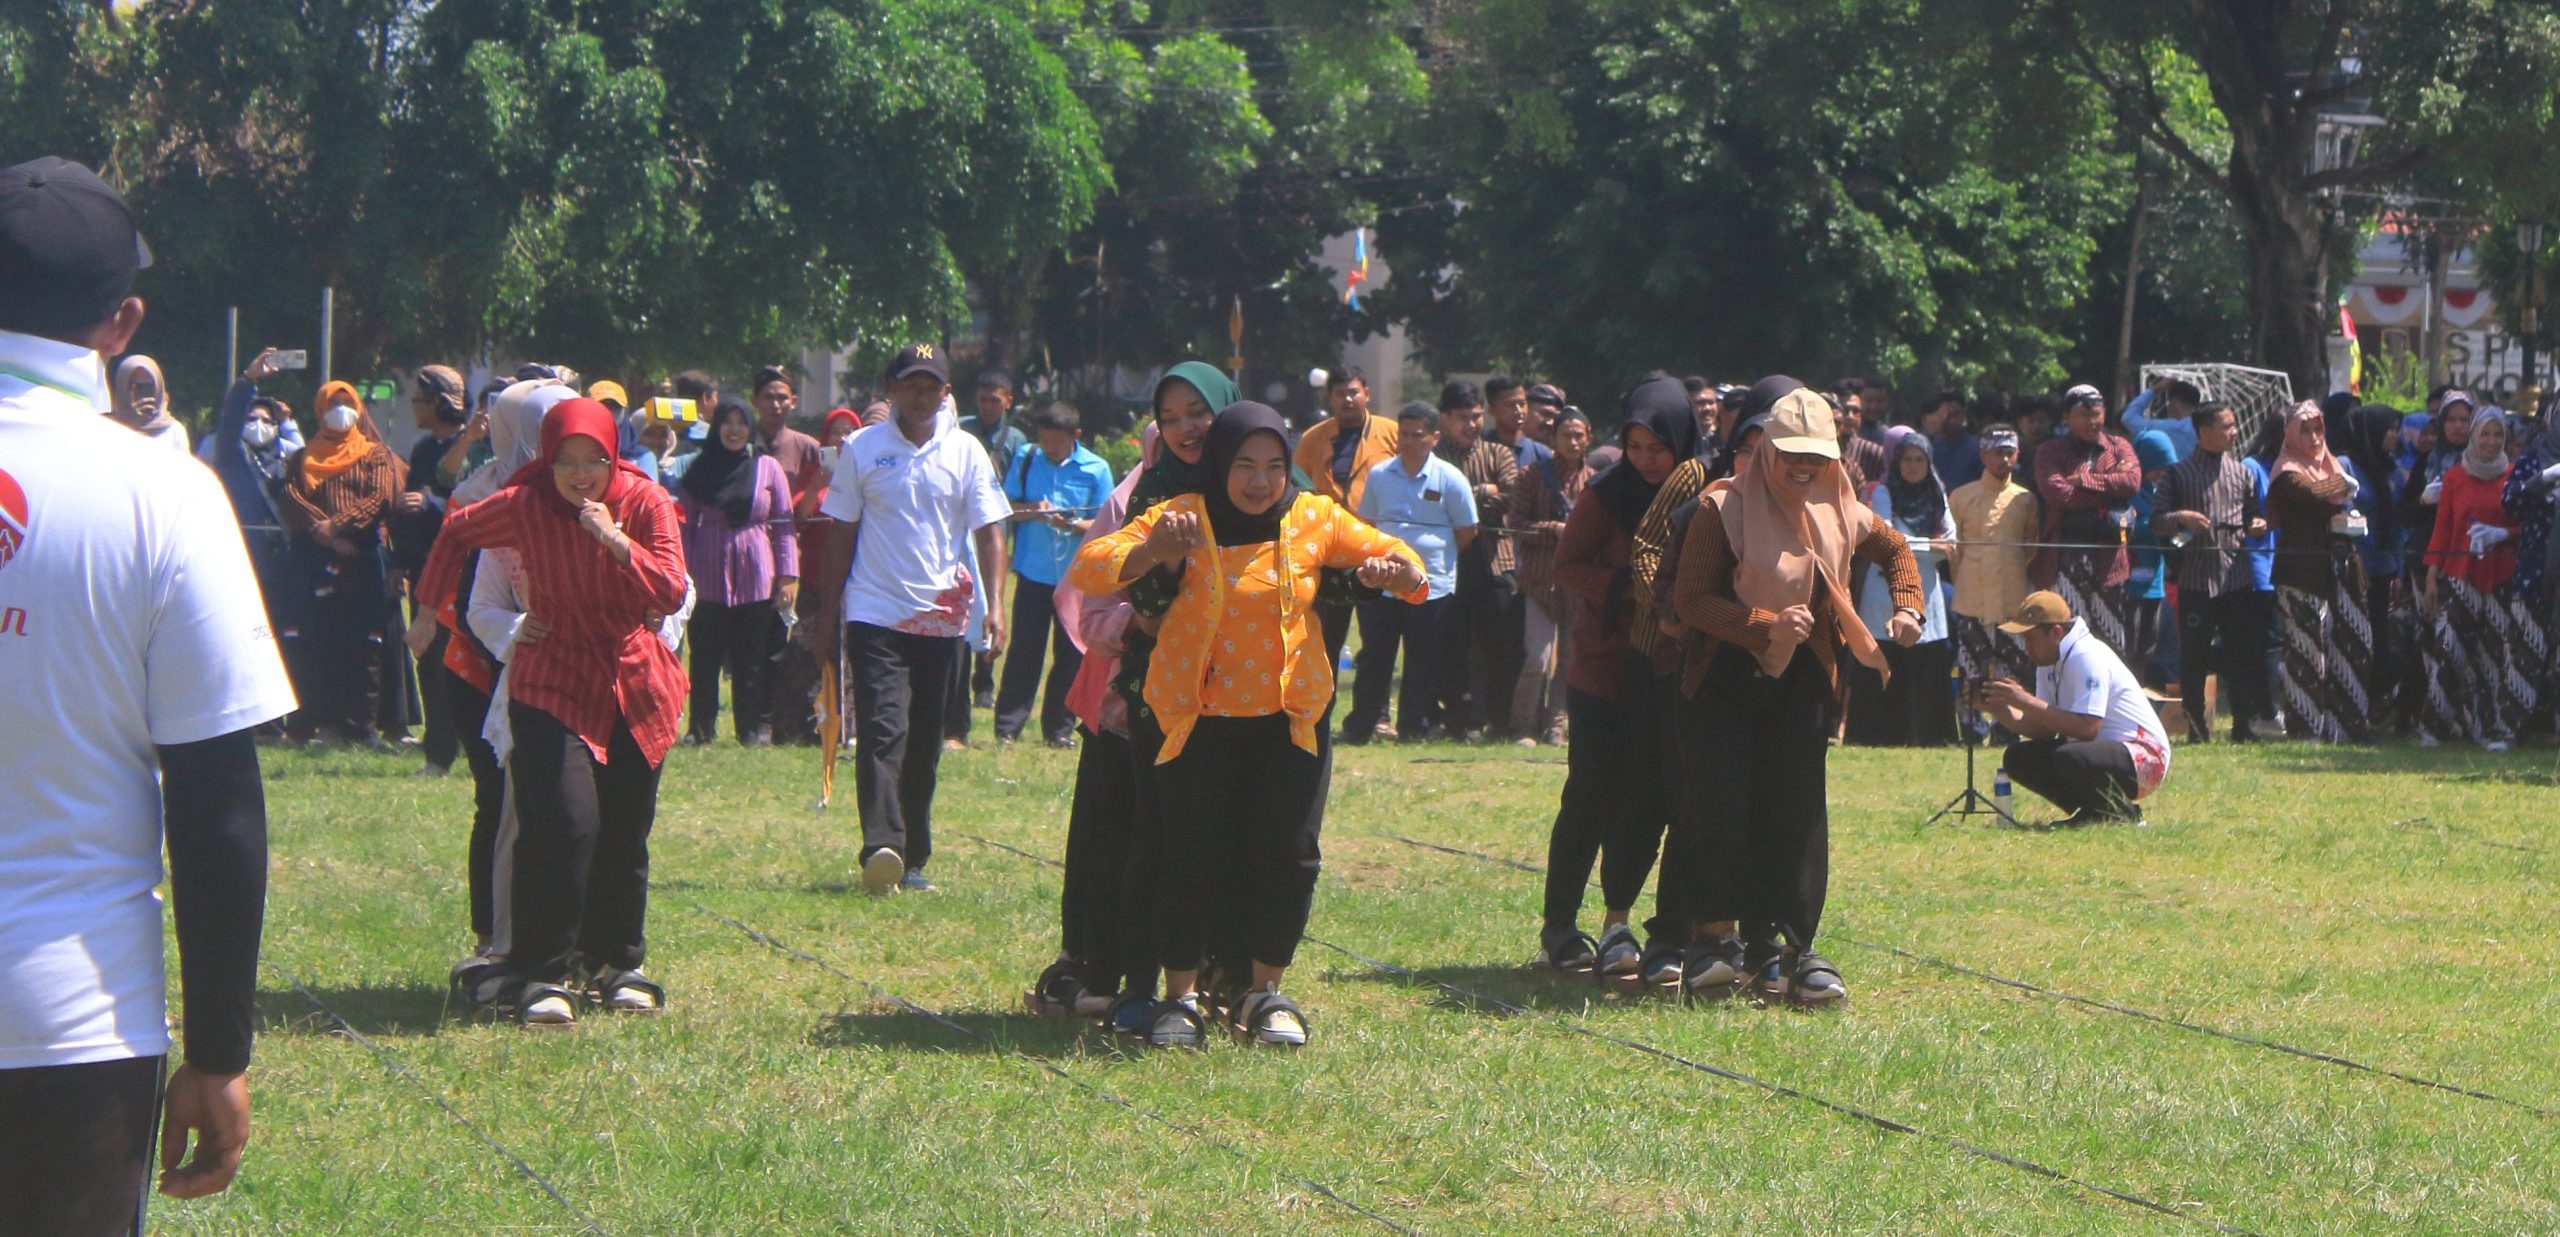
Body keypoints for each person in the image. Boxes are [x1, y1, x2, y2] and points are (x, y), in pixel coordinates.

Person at [0, 154, 296, 1230]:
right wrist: (220, 1053)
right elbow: (216, 798)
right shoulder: (165, 491)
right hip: (71, 1020)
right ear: (123, 320)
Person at [1069, 402, 1427, 1048]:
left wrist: (1401, 572)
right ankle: (1179, 1000)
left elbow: (1391, 551)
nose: (1260, 481)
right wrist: (1153, 549)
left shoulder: (1311, 515)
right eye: (1244, 466)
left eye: (1274, 466)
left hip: (1290, 723)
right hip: (1196, 722)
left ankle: (1265, 993)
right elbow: (1091, 565)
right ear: (1218, 465)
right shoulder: (1186, 515)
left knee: (1290, 854)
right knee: (1189, 853)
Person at [409, 396, 690, 1024]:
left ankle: (616, 963)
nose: (581, 474)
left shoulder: (645, 503)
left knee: (625, 826)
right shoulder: (526, 505)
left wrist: (615, 539)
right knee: (563, 823)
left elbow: (671, 590)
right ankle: (542, 973)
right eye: (565, 461)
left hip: (633, 680)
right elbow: (454, 530)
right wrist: (428, 610)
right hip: (551, 677)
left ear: (614, 456)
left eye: (594, 460)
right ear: (547, 462)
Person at [1670, 384, 1925, 1003]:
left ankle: (1792, 948)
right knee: (1723, 808)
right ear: (1766, 452)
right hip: (1726, 679)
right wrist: (1763, 626)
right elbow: (1691, 600)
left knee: (1798, 813)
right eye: (1792, 455)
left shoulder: (1842, 506)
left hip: (1807, 681)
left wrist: (1907, 607)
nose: (1804, 468)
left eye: (1817, 455)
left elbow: (1894, 549)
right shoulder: (1719, 508)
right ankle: (1714, 941)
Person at [809, 344, 1012, 896]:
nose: (922, 396)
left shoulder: (967, 451)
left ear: (946, 392)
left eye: (932, 386)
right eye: (911, 385)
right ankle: (881, 845)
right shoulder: (862, 448)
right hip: (876, 612)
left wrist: (998, 606)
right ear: (891, 389)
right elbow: (841, 533)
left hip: (942, 619)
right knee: (882, 729)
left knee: (925, 740)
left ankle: (913, 856)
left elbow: (991, 531)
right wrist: (828, 616)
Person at [1533, 377, 1695, 979]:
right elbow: (1568, 565)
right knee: (1590, 797)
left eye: (1658, 447)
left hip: (1664, 672)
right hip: (1603, 670)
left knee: (1651, 798)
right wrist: (1624, 586)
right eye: (1636, 447)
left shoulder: (1699, 489)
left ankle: (1629, 927)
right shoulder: (1604, 494)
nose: (1647, 460)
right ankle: (1559, 926)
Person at [276, 379, 405, 747]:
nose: (340, 410)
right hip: (313, 560)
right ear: (319, 410)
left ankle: (361, 726)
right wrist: (325, 532)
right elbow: (290, 497)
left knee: (363, 644)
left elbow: (381, 495)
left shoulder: (374, 454)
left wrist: (339, 525)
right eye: (333, 403)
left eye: (348, 403)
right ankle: (315, 724)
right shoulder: (303, 457)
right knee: (316, 643)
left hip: (360, 559)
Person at [1972, 591, 2172, 827]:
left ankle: (2121, 813)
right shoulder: (2048, 661)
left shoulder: (2087, 656)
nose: (2027, 648)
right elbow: (2044, 731)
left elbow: (2087, 729)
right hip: (2099, 754)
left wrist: (2024, 700)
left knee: (2069, 756)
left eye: (2031, 639)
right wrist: (2000, 708)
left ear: (2056, 633)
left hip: (2145, 758)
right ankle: (2094, 811)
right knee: (2018, 757)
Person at [1345, 401, 1477, 743]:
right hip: (1382, 585)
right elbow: (1368, 524)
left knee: (1422, 660)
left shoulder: (1450, 479)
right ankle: (1361, 727)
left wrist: (1432, 559)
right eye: (1403, 434)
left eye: (1416, 435)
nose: (1408, 441)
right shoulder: (1379, 475)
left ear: (1434, 437)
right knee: (1375, 657)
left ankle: (1412, 728)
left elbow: (1466, 531)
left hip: (1430, 587)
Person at [677, 398, 799, 746]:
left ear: (750, 428)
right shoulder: (698, 471)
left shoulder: (767, 468)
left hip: (756, 575)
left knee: (752, 658)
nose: (733, 430)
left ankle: (749, 730)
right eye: (726, 422)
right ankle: (701, 730)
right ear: (716, 427)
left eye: (740, 422)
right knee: (704, 658)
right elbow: (685, 526)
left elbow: (784, 524)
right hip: (707, 575)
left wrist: (788, 574)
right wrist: (681, 575)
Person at [995, 402, 1115, 746]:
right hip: (1033, 573)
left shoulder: (1096, 469)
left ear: (1075, 437)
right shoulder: (1026, 458)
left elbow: (1107, 524)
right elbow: (1007, 508)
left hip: (1076, 581)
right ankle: (1007, 726)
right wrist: (1035, 511)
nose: (1049, 448)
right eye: (1045, 441)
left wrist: (1074, 524)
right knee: (1024, 653)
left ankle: (1059, 729)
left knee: (1070, 656)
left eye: (1057, 443)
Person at [2153, 401, 2269, 742]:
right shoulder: (2177, 474)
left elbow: (2253, 516)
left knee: (2242, 653)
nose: (2234, 432)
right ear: (2204, 432)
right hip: (2196, 579)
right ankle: (2196, 727)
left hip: (2237, 578)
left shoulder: (2242, 473)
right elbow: (2157, 521)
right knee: (2194, 657)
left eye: (2234, 426)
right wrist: (2182, 518)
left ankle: (2243, 726)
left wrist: (2257, 524)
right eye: (2226, 426)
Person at [2266, 401, 2373, 743]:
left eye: (2318, 429)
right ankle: (2305, 729)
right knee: (2307, 652)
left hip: (2339, 569)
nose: (2313, 438)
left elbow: (2347, 496)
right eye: (2305, 430)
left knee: (2346, 649)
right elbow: (2309, 494)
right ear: (2291, 435)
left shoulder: (2331, 466)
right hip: (2302, 572)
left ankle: (2343, 728)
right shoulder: (2286, 470)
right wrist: (2339, 487)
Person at [2420, 406, 2526, 749]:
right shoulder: (2454, 477)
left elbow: (2525, 527)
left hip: (2499, 576)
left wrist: (2502, 534)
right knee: (2450, 651)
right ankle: (2434, 727)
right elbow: (2442, 529)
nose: (2491, 442)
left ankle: (2491, 730)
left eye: (2498, 435)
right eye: (2485, 434)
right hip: (2459, 576)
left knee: (2495, 655)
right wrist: (2433, 575)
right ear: (2474, 436)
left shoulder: (2513, 476)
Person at [1848, 427, 1957, 746]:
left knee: (1926, 662)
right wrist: (1931, 547)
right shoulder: (1883, 492)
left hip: (1929, 590)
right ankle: (1878, 734)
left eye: (1919, 459)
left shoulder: (1937, 493)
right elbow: (1889, 541)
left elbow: (1952, 540)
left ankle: (1928, 735)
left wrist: (1927, 547)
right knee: (1887, 656)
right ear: (1896, 461)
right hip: (1887, 590)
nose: (1912, 466)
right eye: (1907, 459)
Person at [390, 365, 475, 775]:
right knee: (428, 657)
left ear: (439, 404)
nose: (414, 409)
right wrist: (397, 562)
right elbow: (409, 506)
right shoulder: (423, 451)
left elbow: (471, 507)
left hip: (463, 571)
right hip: (424, 568)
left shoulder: (473, 446)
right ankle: (437, 751)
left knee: (457, 660)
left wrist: (430, 505)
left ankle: (460, 744)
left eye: (420, 401)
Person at [1291, 366, 1403, 662]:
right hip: (1329, 551)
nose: (1348, 399)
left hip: (1376, 549)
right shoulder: (1313, 439)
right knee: (1325, 640)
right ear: (1330, 398)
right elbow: (1295, 486)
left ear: (1366, 393)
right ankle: (1319, 708)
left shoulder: (1392, 433)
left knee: (1377, 640)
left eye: (1354, 392)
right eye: (1340, 394)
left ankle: (1372, 710)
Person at [1433, 380, 1522, 738]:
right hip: (1450, 562)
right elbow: (1432, 501)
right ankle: (1457, 718)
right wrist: (1482, 493)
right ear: (1444, 419)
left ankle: (1498, 719)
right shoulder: (1434, 457)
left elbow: (1514, 496)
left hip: (1494, 561)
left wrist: (1475, 497)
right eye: (1461, 418)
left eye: (1475, 416)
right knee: (1451, 644)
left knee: (1499, 645)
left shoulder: (1498, 453)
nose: (1470, 424)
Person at [2029, 383, 2141, 655]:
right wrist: (2110, 493)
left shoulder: (2119, 446)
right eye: (2083, 415)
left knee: (2109, 644)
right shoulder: (2050, 452)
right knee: (2066, 640)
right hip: (2066, 558)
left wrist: (2084, 481)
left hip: (2110, 559)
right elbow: (2059, 497)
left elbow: (2132, 482)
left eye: (2097, 414)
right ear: (2066, 418)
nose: (2092, 422)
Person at [1507, 404, 1594, 746]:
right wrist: (1554, 529)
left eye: (1578, 435)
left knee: (1571, 660)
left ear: (1589, 438)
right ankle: (1524, 725)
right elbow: (1515, 524)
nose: (1572, 442)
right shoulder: (1531, 476)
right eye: (1565, 435)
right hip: (1540, 581)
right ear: (1553, 438)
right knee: (1538, 658)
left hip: (1578, 585)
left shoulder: (1595, 481)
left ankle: (1556, 726)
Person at [1947, 425, 2040, 689]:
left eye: (2010, 453)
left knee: (2013, 672)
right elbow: (1954, 550)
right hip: (1970, 599)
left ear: (2018, 455)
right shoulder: (1961, 496)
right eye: (1997, 453)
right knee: (1971, 669)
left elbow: (2030, 548)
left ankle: (2007, 729)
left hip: (2013, 599)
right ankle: (1972, 728)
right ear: (1983, 456)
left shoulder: (2025, 500)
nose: (2004, 460)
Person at [2125, 429, 2180, 689]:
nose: (2162, 473)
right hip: (2130, 586)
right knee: (2129, 651)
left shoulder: (2161, 494)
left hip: (2155, 587)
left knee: (2148, 651)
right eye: (2157, 467)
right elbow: (2126, 532)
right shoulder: (2128, 494)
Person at [108, 354, 190, 454]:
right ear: (122, 388)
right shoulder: (107, 429)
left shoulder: (174, 431)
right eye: (137, 387)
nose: (143, 394)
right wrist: (130, 425)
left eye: (149, 386)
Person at [2119, 376, 2203, 460]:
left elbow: (2128, 418)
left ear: (2173, 404)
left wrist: (2155, 389)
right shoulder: (2206, 427)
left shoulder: (2166, 427)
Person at [1923, 389, 1980, 489]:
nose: (1952, 421)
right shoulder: (1928, 449)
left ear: (1964, 414)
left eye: (1956, 415)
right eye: (1947, 415)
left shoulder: (1977, 449)